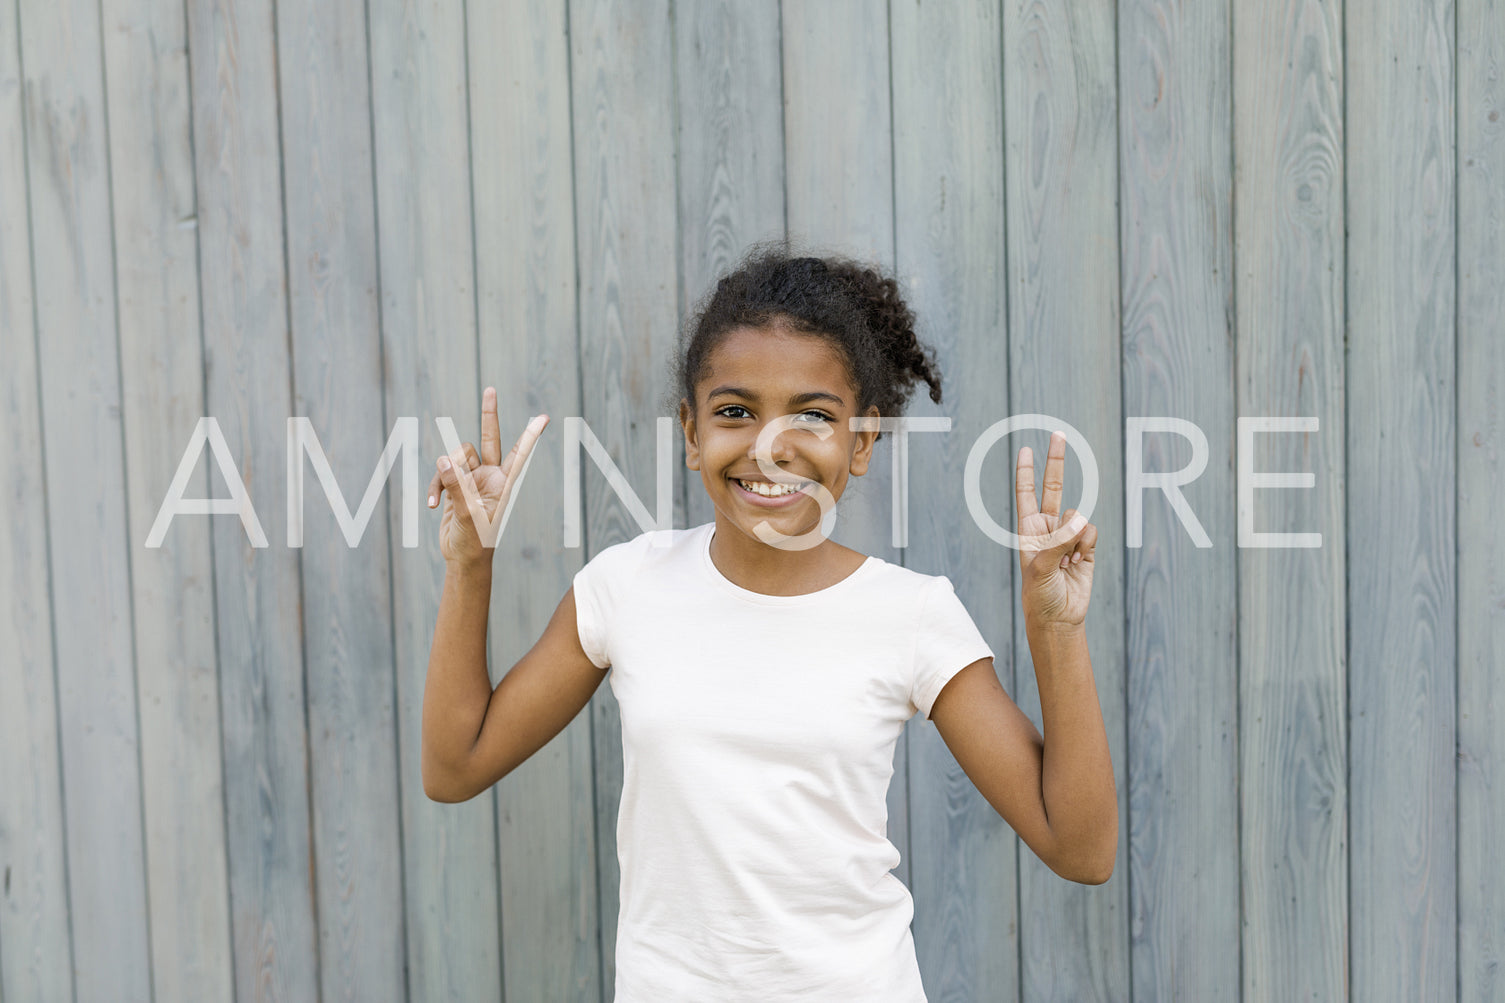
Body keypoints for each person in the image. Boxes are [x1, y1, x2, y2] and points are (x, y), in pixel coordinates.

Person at [420, 243, 1117, 1002]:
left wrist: (1055, 630)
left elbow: (1080, 850)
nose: (769, 447)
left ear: (861, 441)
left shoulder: (910, 614)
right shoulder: (627, 586)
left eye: (812, 415)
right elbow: (456, 765)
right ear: (691, 433)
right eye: (733, 411)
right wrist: (470, 563)